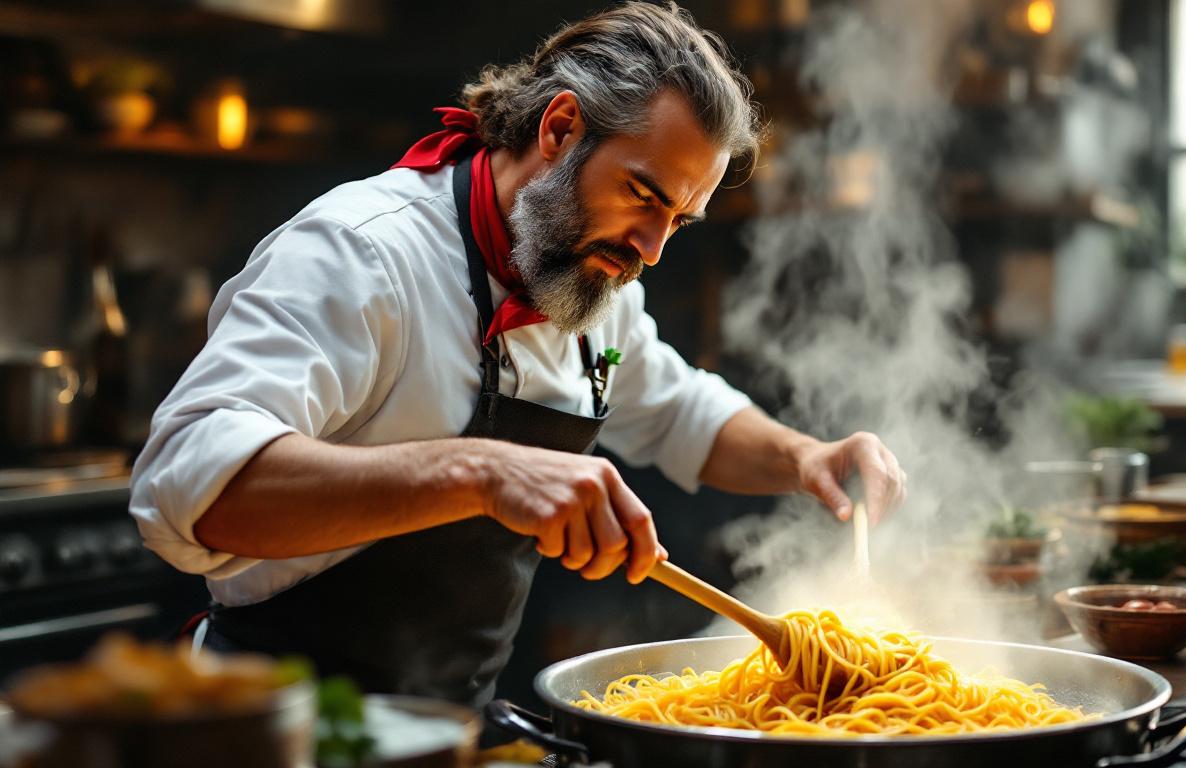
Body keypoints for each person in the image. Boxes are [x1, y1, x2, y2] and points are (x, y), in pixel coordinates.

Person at [130, 2, 906, 707]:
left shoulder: (589, 286)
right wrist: (484, 473)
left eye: (681, 219)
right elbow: (186, 484)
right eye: (643, 195)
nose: (653, 249)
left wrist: (805, 456)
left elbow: (680, 413)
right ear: (560, 129)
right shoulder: (364, 252)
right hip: (266, 725)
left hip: (447, 732)